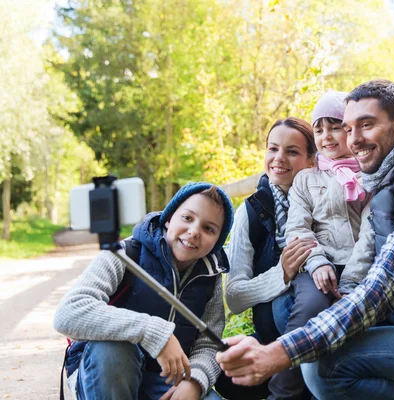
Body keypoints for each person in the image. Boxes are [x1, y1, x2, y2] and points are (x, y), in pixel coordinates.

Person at [217, 79, 394, 400]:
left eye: (365, 125)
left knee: (324, 366)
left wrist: (278, 353)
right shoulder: (386, 181)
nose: (354, 140)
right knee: (314, 340)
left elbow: (380, 289)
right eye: (349, 128)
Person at [54, 182, 234, 400]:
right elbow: (67, 314)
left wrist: (194, 382)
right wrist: (152, 332)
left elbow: (208, 344)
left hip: (167, 380)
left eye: (209, 228)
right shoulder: (125, 254)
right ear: (168, 219)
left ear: (217, 241)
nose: (194, 231)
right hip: (106, 374)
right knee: (114, 349)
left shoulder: (210, 276)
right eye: (187, 218)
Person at [264, 91, 375, 399]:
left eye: (335, 126)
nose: (327, 135)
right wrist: (317, 262)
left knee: (354, 316)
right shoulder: (306, 180)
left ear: (349, 128)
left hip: (359, 265)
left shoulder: (369, 174)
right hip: (317, 263)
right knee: (311, 306)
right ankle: (282, 392)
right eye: (319, 129)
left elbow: (371, 229)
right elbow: (297, 227)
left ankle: (325, 390)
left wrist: (353, 277)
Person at [218, 117, 318, 399]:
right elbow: (234, 297)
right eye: (272, 149)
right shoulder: (251, 211)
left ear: (312, 160)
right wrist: (281, 274)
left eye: (292, 151)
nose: (279, 158)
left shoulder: (327, 201)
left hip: (320, 329)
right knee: (226, 375)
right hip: (272, 335)